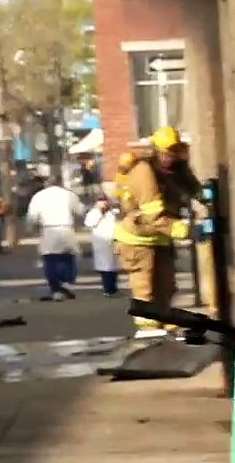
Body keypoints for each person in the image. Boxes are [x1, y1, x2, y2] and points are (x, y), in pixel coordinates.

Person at [114, 127, 192, 333]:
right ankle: (149, 332)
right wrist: (184, 229)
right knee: (145, 288)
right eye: (167, 152)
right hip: (138, 240)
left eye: (175, 151)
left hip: (160, 239)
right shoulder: (144, 172)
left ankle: (164, 322)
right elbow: (153, 216)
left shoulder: (176, 170)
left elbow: (192, 189)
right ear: (156, 151)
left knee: (166, 286)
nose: (171, 156)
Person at [26, 174, 84, 301]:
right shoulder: (69, 194)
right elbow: (80, 211)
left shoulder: (39, 196)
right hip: (66, 227)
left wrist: (30, 228)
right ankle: (67, 285)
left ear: (47, 183)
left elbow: (32, 216)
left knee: (50, 259)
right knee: (68, 257)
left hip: (48, 229)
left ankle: (56, 288)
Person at [83, 198, 121, 297]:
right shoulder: (94, 213)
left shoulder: (113, 212)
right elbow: (89, 223)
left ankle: (113, 288)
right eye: (101, 201)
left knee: (113, 267)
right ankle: (108, 289)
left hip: (113, 241)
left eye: (105, 201)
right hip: (101, 243)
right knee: (105, 267)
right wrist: (100, 212)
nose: (104, 203)